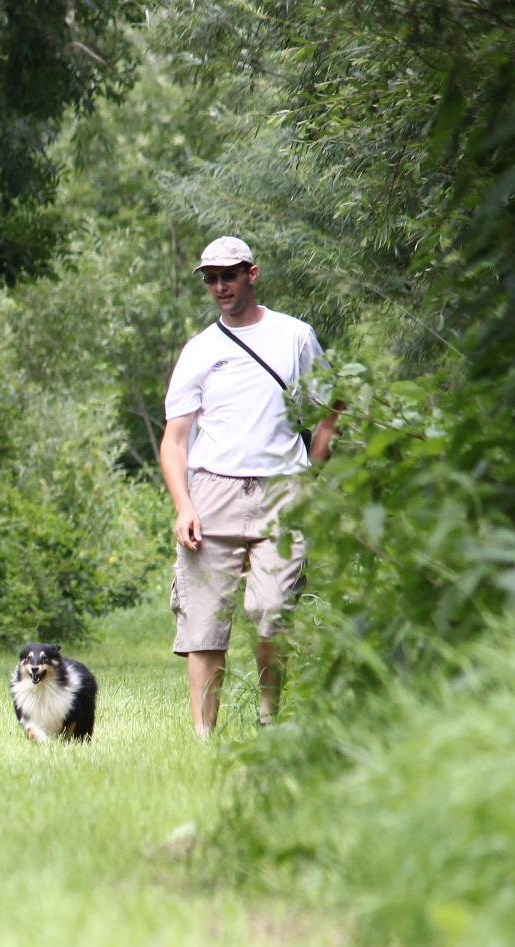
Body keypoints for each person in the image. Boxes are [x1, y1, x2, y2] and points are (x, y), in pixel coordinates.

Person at [158, 235, 341, 737]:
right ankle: (203, 738)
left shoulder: (295, 336)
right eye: (212, 278)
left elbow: (331, 409)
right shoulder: (198, 351)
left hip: (281, 489)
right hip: (212, 489)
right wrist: (183, 505)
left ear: (252, 274)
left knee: (271, 611)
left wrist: (311, 477)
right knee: (203, 624)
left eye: (230, 275)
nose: (221, 286)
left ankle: (268, 717)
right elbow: (174, 441)